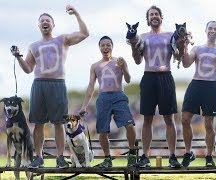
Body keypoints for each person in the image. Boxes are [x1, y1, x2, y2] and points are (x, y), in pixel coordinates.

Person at [10, 5, 89, 168]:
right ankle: (38, 157)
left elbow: (84, 34)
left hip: (57, 83)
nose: (45, 22)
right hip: (38, 84)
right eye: (42, 21)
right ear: (39, 26)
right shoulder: (33, 46)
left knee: (59, 123)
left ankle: (60, 157)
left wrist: (77, 14)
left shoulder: (62, 39)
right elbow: (28, 69)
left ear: (53, 25)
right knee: (38, 123)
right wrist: (18, 57)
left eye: (48, 20)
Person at [128, 5, 186, 168]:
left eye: (156, 14)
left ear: (161, 17)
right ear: (147, 19)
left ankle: (173, 156)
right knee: (147, 118)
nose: (154, 16)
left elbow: (178, 56)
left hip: (166, 75)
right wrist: (133, 45)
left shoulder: (169, 35)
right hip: (148, 76)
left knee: (169, 118)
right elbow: (138, 60)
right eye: (151, 14)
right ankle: (145, 157)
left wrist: (182, 44)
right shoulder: (142, 36)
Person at [180, 21, 216, 167]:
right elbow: (186, 64)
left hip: (211, 85)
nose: (213, 31)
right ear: (206, 30)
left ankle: (209, 156)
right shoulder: (197, 48)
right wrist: (184, 45)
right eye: (210, 28)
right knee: (185, 119)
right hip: (196, 84)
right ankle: (188, 152)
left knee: (209, 124)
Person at [79, 36, 137, 167]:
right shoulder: (95, 66)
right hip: (103, 97)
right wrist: (84, 106)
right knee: (102, 131)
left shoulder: (119, 61)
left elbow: (127, 79)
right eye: (103, 45)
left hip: (119, 96)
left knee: (129, 125)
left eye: (108, 45)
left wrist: (125, 68)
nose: (105, 47)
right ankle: (107, 159)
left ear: (112, 46)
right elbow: (90, 86)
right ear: (99, 48)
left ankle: (132, 153)